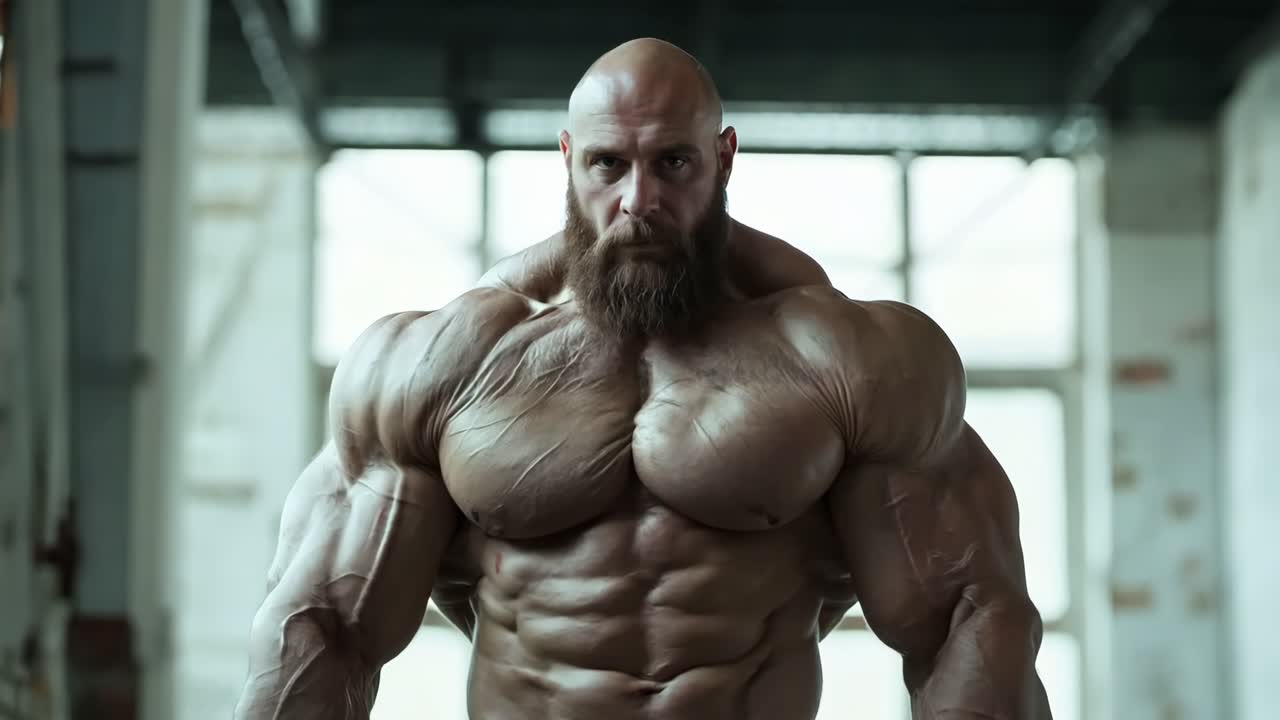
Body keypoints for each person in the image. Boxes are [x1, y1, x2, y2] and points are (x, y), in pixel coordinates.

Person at [234, 37, 1053, 720]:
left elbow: (966, 624)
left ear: (722, 159)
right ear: (567, 160)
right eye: (607, 164)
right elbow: (325, 629)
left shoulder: (850, 359)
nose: (638, 199)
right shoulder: (441, 366)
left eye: (672, 163)